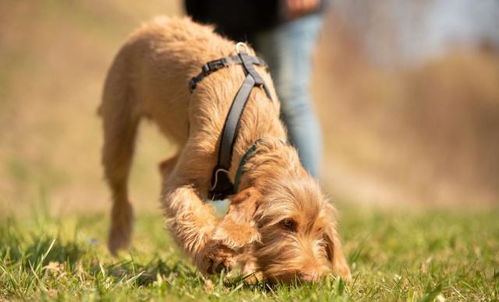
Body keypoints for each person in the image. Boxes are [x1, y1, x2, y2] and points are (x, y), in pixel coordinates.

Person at [185, 0, 325, 177]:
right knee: (219, 105)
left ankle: (307, 198)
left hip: (284, 15)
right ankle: (216, 196)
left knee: (290, 99)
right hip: (222, 12)